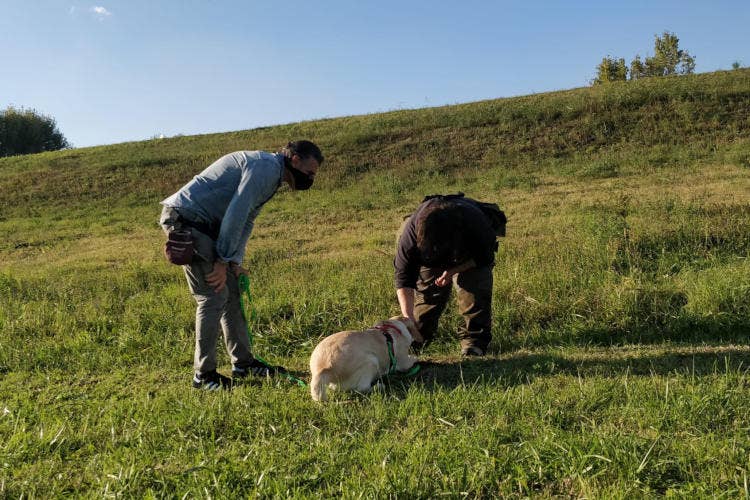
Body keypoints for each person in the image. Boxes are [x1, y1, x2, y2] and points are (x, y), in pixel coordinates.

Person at [159, 140, 324, 390]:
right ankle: (203, 376)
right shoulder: (265, 168)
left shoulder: (273, 173)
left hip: (207, 226)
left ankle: (243, 364)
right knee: (212, 296)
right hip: (189, 222)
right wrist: (221, 260)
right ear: (295, 160)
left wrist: (234, 261)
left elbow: (247, 220)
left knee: (232, 291)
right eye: (309, 173)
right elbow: (237, 213)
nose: (310, 179)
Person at [394, 194, 499, 356]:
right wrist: (408, 318)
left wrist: (452, 271)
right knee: (429, 296)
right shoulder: (409, 237)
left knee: (474, 291)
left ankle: (474, 343)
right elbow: (403, 279)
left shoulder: (476, 224)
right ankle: (415, 342)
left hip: (468, 253)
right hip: (427, 254)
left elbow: (484, 257)